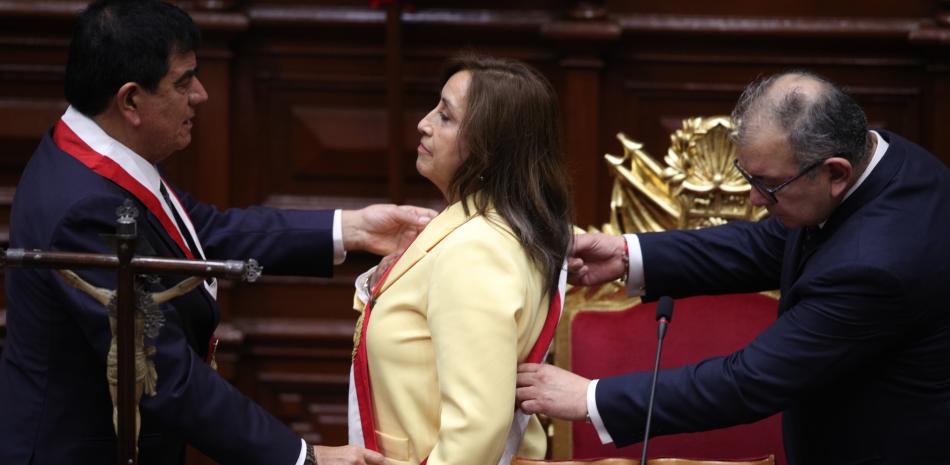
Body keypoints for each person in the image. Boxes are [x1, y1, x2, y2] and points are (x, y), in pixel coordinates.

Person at [0, 1, 435, 464]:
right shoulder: (84, 206)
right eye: (184, 81)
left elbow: (202, 232)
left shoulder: (95, 150)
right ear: (130, 101)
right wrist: (304, 457)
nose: (202, 95)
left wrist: (354, 229)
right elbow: (164, 371)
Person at [516, 71, 950, 465]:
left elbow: (750, 381)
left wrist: (591, 398)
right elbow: (775, 242)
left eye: (768, 185)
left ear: (835, 172)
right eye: (750, 176)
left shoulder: (876, 267)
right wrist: (627, 255)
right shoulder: (876, 155)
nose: (754, 200)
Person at [347, 55, 573, 465]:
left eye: (446, 117)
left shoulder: (476, 248)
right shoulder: (483, 228)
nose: (424, 123)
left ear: (488, 147)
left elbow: (475, 431)